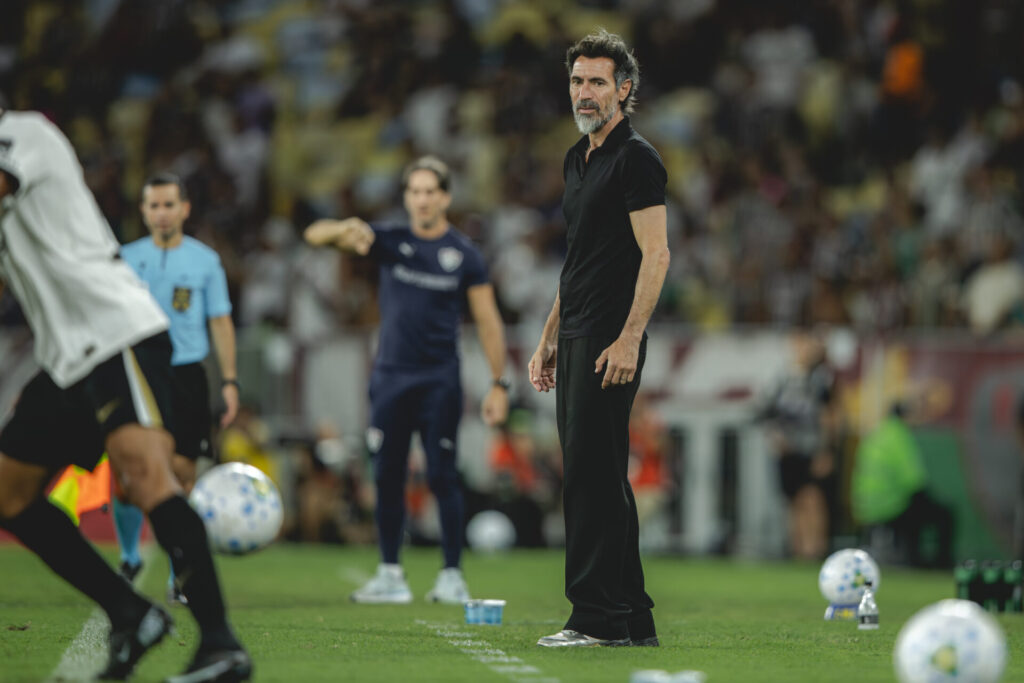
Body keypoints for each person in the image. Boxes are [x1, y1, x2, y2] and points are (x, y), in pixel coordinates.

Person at [0, 110, 251, 682]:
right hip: (65, 357)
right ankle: (131, 614)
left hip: (118, 332)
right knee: (9, 496)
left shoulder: (22, 132)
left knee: (144, 476)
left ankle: (220, 644)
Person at [304, 155, 509, 604]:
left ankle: (452, 575)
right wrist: (343, 229)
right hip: (391, 377)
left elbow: (488, 319)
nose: (422, 200)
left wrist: (499, 383)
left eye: (430, 191)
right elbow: (313, 235)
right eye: (414, 192)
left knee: (442, 474)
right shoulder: (388, 240)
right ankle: (390, 574)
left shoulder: (464, 255)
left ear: (445, 198)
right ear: (406, 197)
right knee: (387, 474)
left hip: (439, 379)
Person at [528, 30, 670, 648]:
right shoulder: (576, 158)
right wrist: (548, 337)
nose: (584, 92)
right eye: (577, 81)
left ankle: (593, 618)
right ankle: (631, 618)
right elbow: (578, 261)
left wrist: (630, 337)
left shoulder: (636, 158)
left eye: (597, 82)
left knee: (589, 478)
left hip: (612, 337)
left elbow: (657, 254)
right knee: (601, 477)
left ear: (623, 89)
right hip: (578, 330)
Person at [113, 172, 239, 605]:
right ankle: (129, 557)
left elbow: (220, 321)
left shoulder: (206, 261)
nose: (162, 213)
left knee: (183, 475)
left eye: (169, 205)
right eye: (154, 205)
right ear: (144, 211)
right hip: (139, 371)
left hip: (186, 374)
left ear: (184, 209)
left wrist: (229, 381)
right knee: (128, 473)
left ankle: (176, 575)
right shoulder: (124, 259)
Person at [757, 329, 838, 560]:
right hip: (787, 451)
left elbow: (830, 416)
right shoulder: (780, 378)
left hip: (812, 449)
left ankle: (815, 550)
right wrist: (775, 438)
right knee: (793, 501)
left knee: (813, 499)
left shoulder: (821, 379)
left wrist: (827, 450)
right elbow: (764, 413)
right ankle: (799, 550)